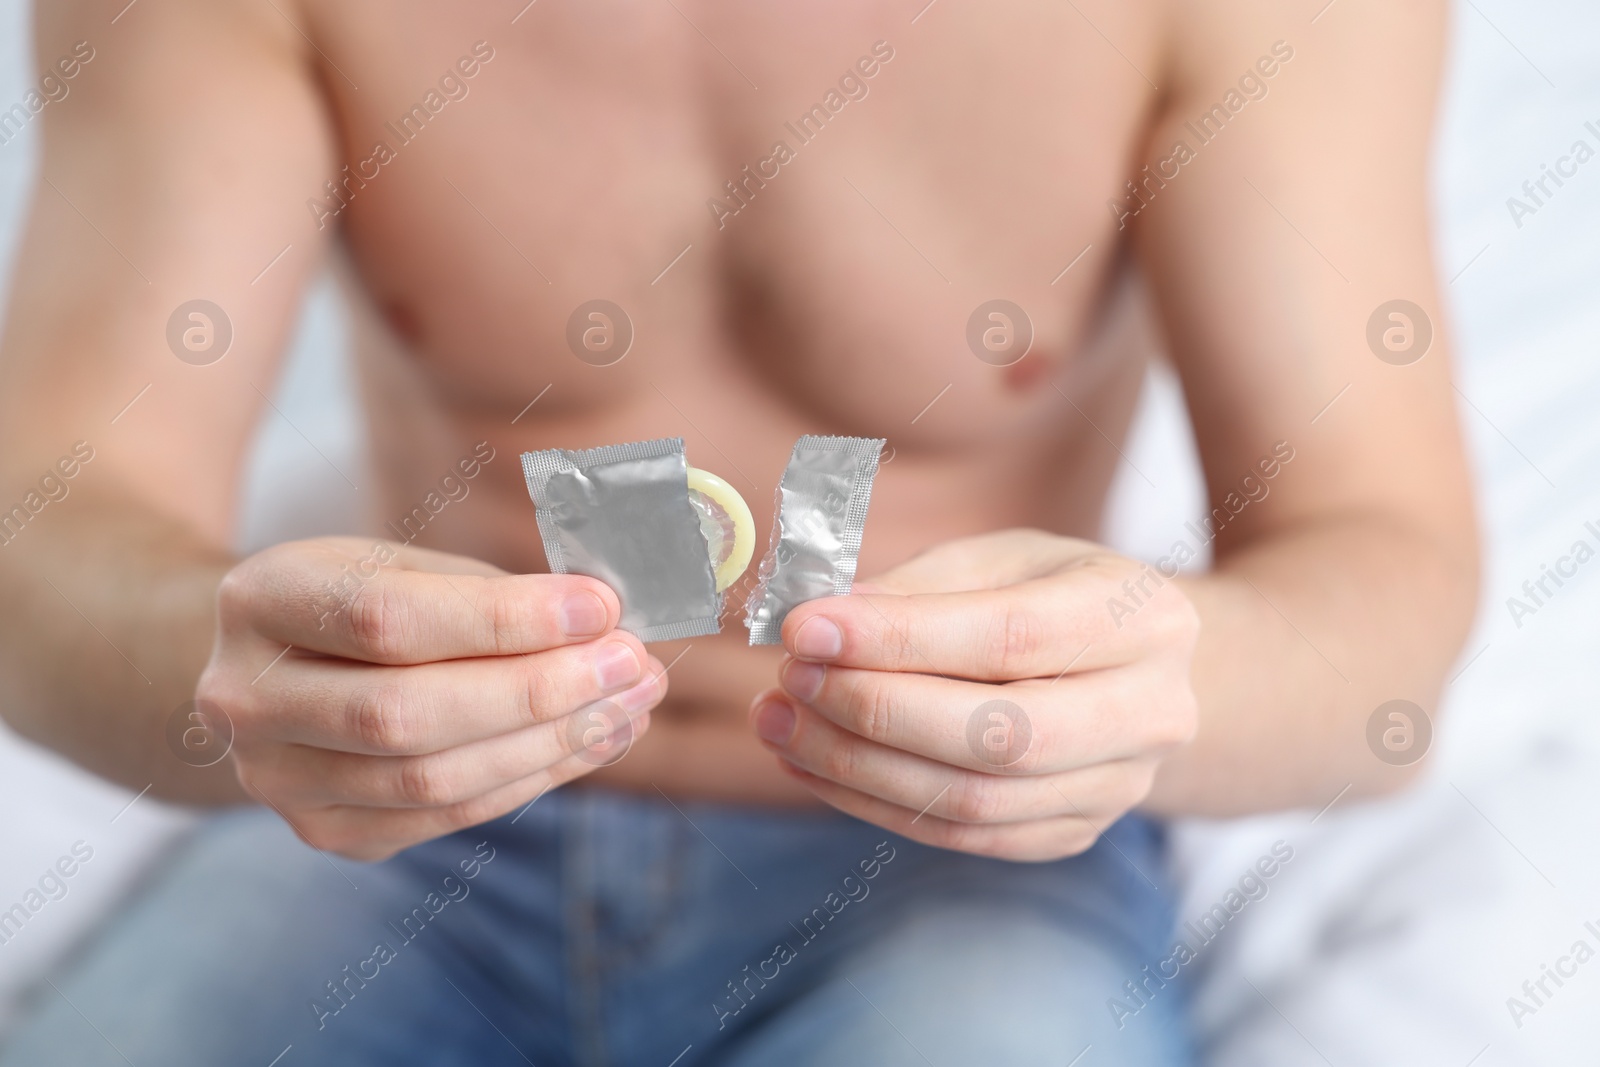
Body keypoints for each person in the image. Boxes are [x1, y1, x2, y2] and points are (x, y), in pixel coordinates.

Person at [0, 0, 1476, 1063]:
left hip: (946, 864)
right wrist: (238, 678)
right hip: (397, 848)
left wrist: (1156, 684)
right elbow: (40, 538)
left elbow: (1385, 583)